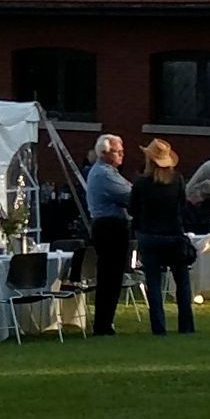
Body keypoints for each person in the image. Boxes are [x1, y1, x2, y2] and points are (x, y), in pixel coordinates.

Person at [129, 139, 194, 335]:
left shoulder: (141, 183)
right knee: (182, 282)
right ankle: (186, 325)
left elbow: (133, 209)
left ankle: (159, 327)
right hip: (174, 235)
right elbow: (183, 207)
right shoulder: (178, 180)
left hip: (150, 236)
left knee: (154, 283)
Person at [84, 133, 132, 336]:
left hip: (111, 226)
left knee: (112, 277)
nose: (122, 154)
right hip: (109, 227)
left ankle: (106, 321)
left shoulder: (110, 172)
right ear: (105, 153)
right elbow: (130, 195)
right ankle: (103, 324)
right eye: (118, 151)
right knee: (109, 277)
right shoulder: (105, 174)